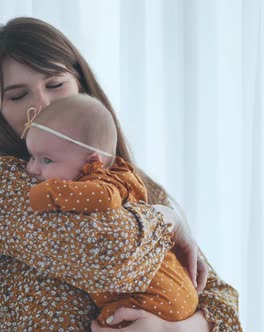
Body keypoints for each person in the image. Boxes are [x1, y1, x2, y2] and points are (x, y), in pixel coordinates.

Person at [0, 16, 242, 331]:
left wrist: (174, 329)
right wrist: (168, 219)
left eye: (55, 84)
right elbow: (111, 258)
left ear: (80, 84)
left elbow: (221, 296)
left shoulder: (136, 182)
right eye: (18, 96)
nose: (42, 104)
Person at [21, 94, 199, 328]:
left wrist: (40, 195)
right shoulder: (117, 177)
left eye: (46, 161)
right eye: (32, 157)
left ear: (92, 160)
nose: (31, 168)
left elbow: (102, 197)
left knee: (106, 324)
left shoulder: (103, 183)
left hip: (158, 299)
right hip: (172, 296)